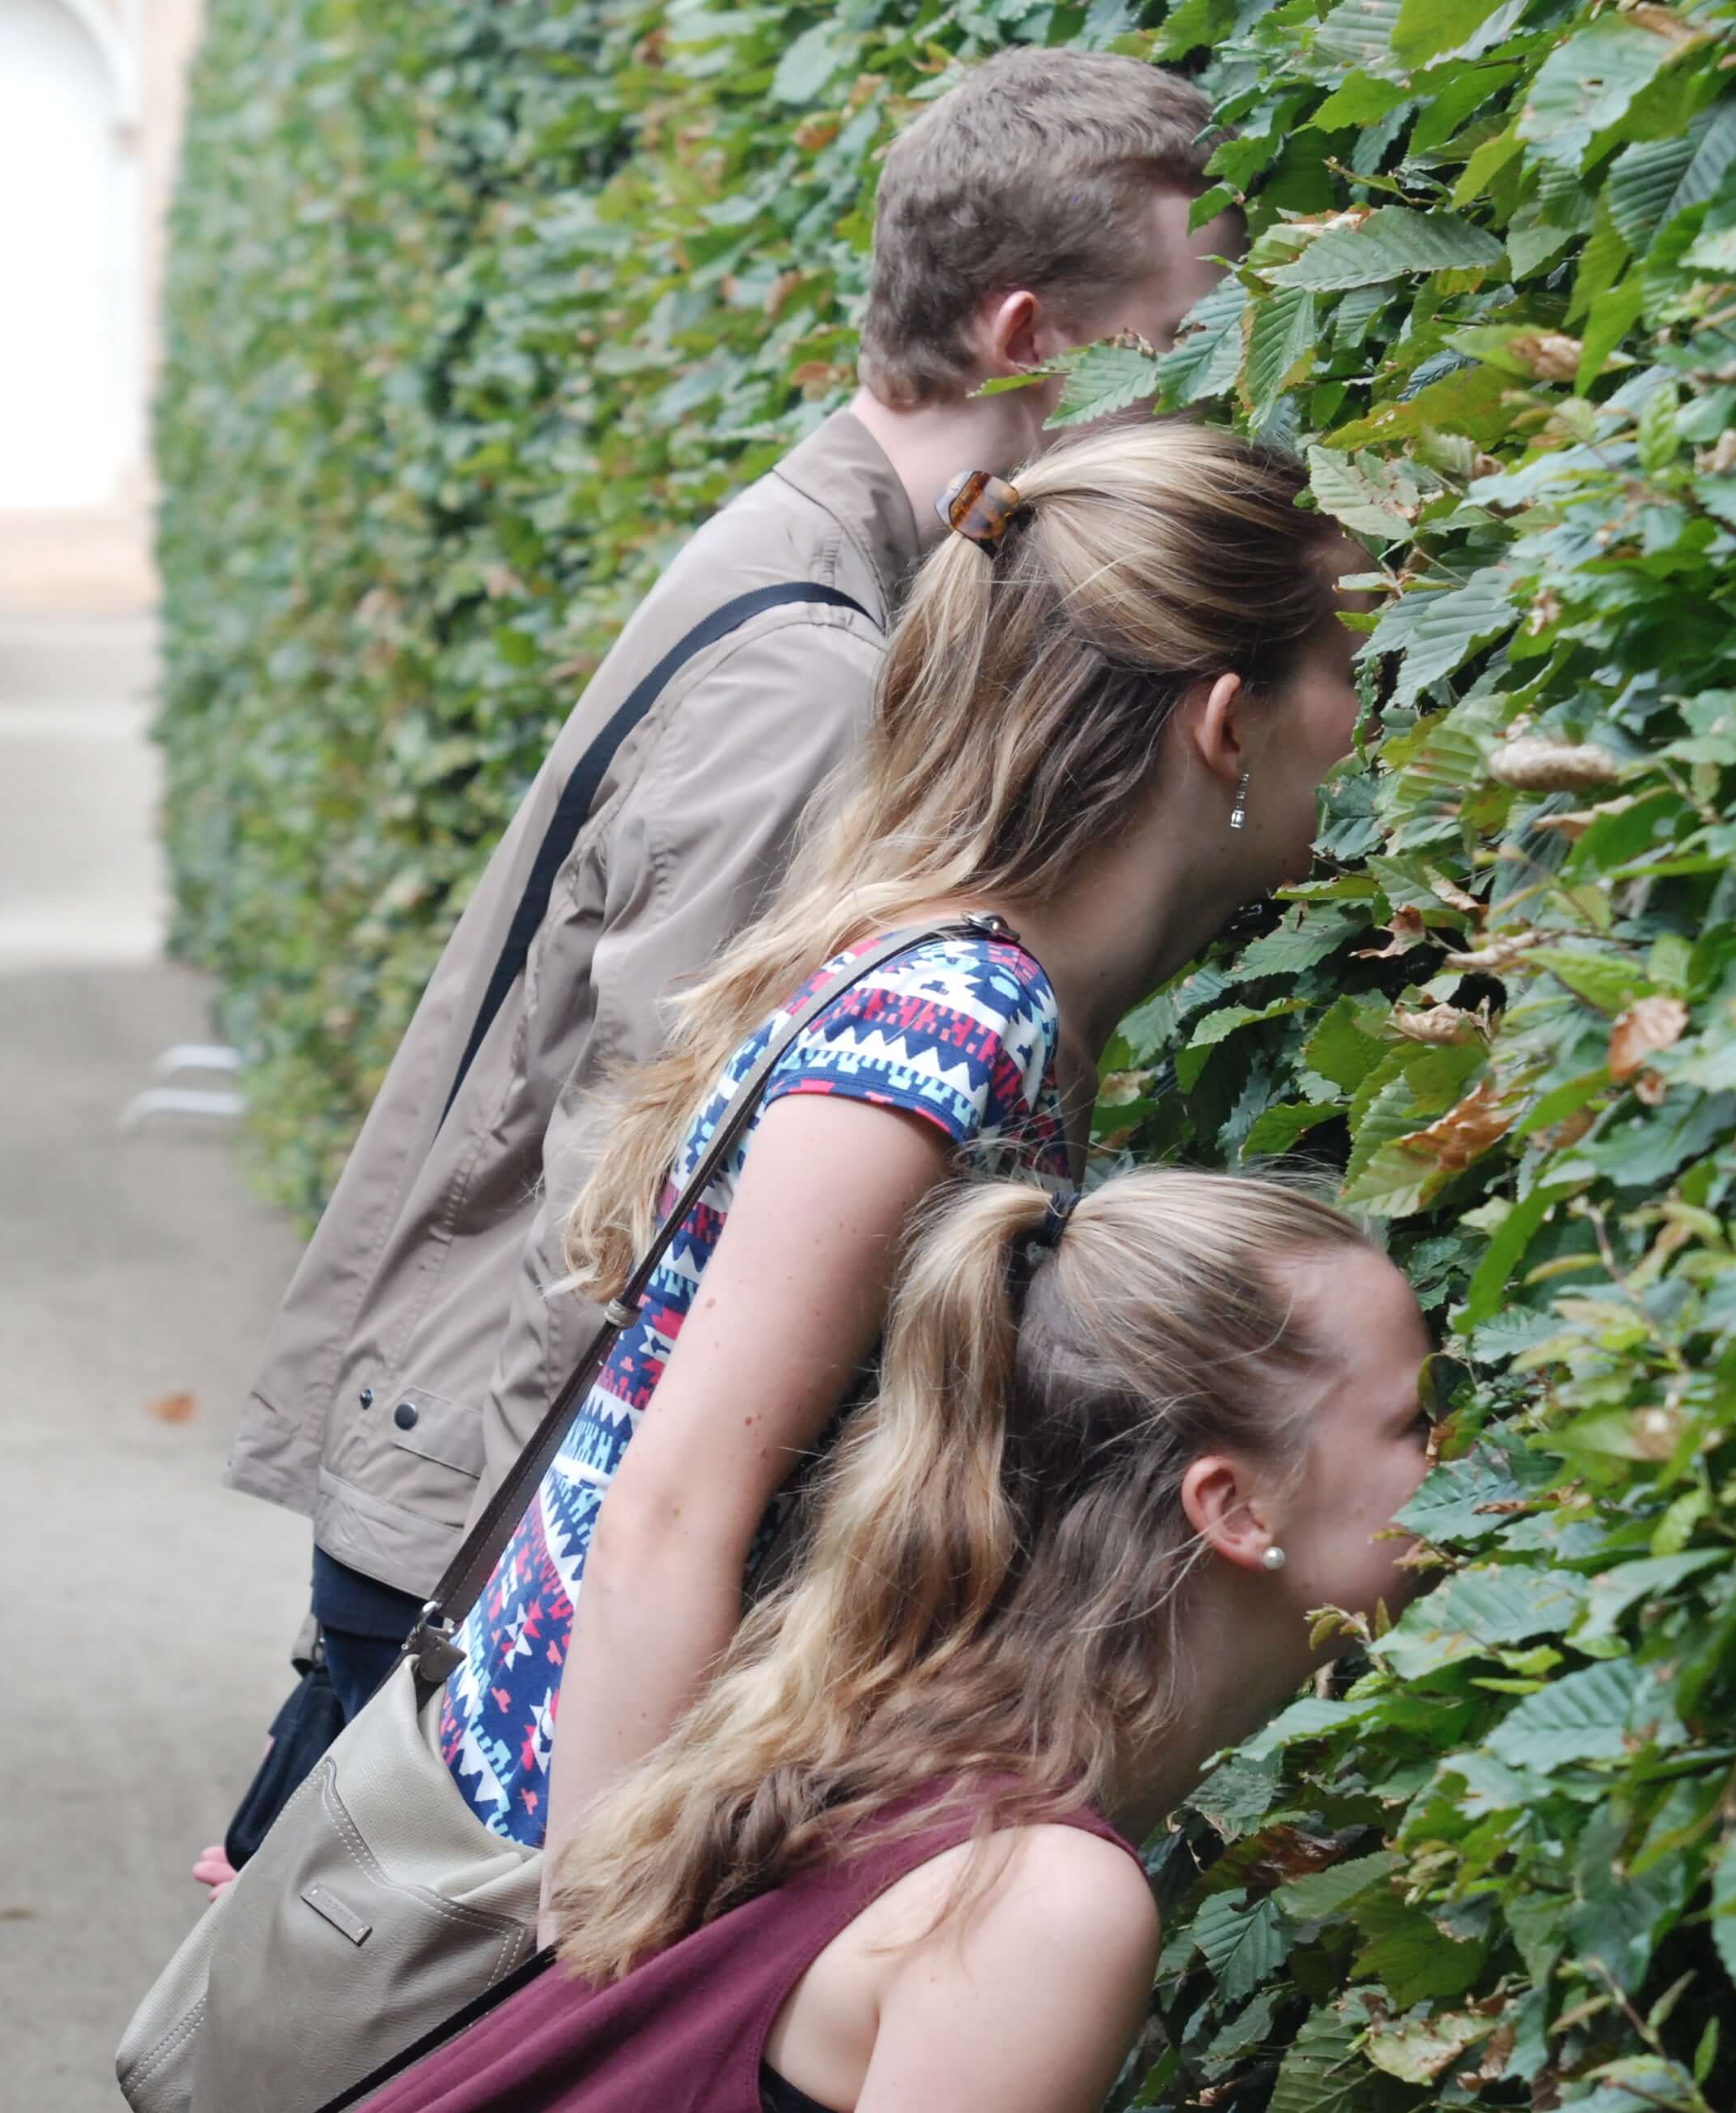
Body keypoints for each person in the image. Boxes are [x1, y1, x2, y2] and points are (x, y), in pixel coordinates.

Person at [205, 46, 1247, 1878]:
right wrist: (520, 1688)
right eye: (1183, 342)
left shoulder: (812, 564)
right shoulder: (823, 671)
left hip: (482, 1524)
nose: (1210, 405)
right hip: (501, 1544)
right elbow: (633, 1205)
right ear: (1029, 336)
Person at [420, 417, 1372, 1876]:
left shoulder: (981, 987)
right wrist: (597, 1992)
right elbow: (673, 1513)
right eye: (1349, 672)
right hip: (599, 1822)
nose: (1369, 723)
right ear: (1228, 721)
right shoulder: (948, 1028)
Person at [360, 1167, 1439, 2113]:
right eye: (1413, 1424)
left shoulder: (869, 1751)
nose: (1466, 1461)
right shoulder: (1036, 1909)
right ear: (1237, 1509)